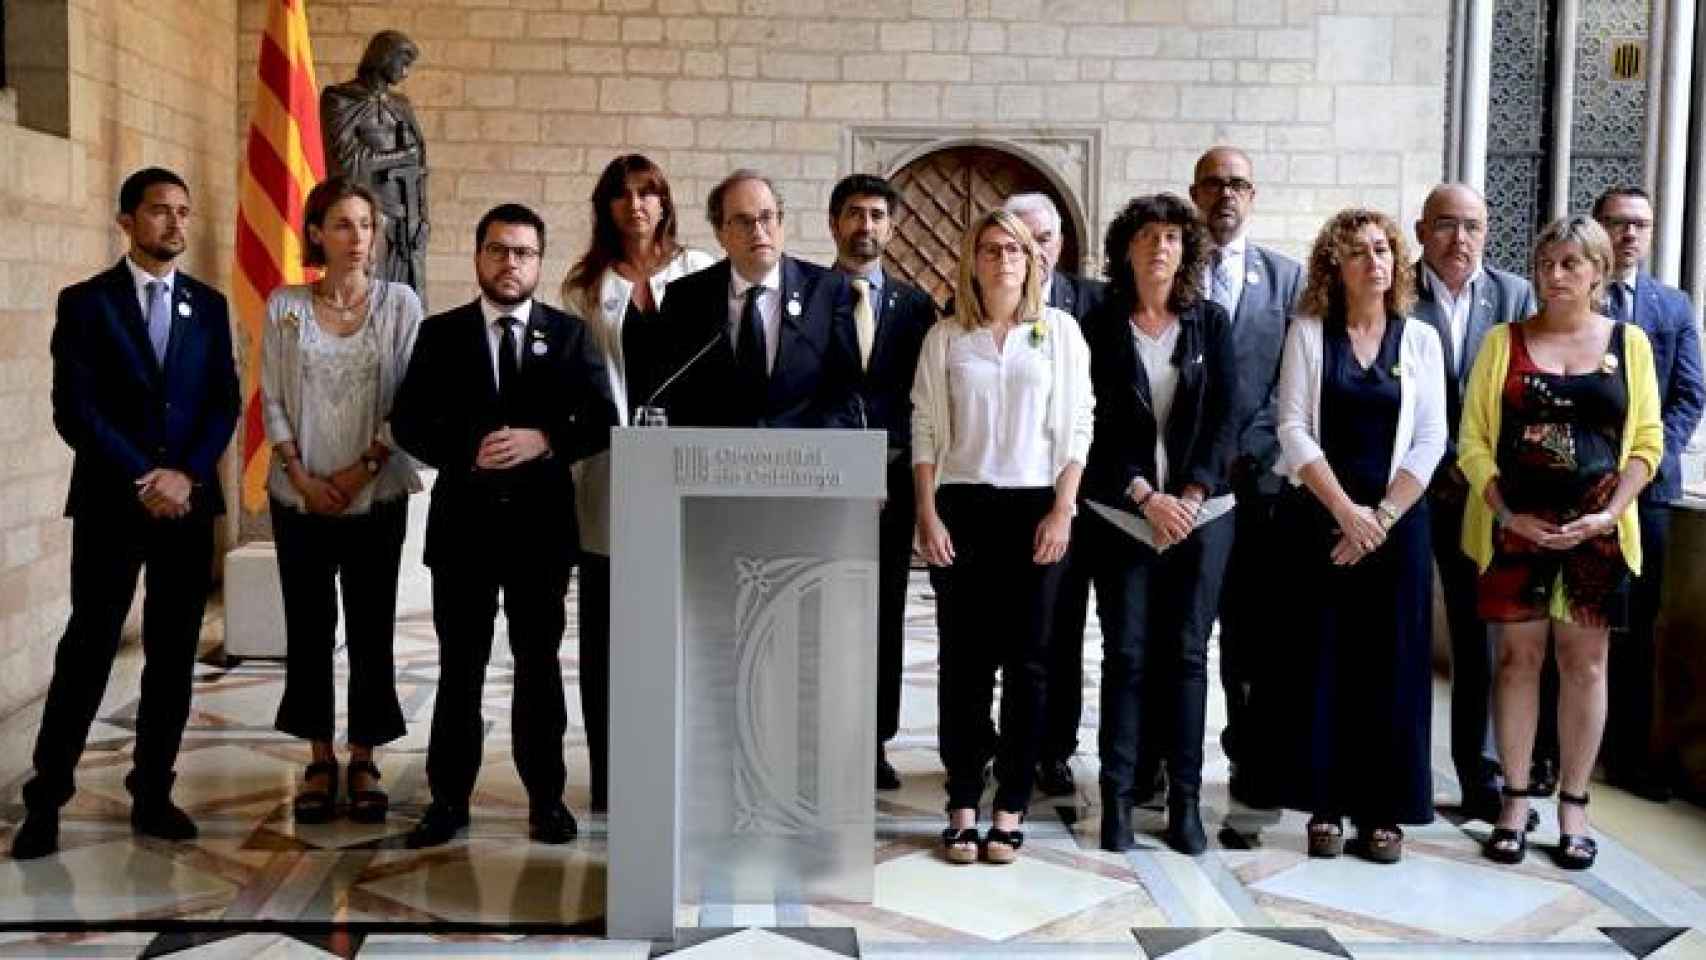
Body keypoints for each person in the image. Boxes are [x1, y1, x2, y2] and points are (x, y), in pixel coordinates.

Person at [12, 168, 241, 859]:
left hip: (187, 508)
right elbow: (74, 410)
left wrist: (188, 474)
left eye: (182, 212)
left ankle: (153, 792)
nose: (174, 224)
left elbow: (222, 402)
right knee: (88, 649)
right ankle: (47, 799)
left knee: (172, 656)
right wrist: (146, 475)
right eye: (158, 212)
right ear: (125, 221)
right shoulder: (85, 303)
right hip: (115, 502)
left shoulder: (208, 303)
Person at [391, 204, 616, 848]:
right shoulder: (440, 334)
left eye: (522, 252)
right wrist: (467, 449)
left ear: (539, 262)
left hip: (541, 534)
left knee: (538, 667)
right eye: (498, 250)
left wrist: (544, 439)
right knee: (459, 667)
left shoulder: (569, 336)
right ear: (478, 258)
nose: (509, 262)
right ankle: (447, 801)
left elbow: (600, 418)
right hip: (463, 530)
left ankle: (546, 798)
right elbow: (408, 421)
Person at [1463, 215, 1663, 871]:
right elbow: (1472, 443)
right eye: (1546, 263)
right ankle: (1515, 803)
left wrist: (1611, 514)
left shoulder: (1628, 343)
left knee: (1586, 666)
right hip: (1518, 528)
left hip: (1596, 533)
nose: (1553, 276)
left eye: (1571, 264)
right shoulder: (1504, 340)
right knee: (1517, 663)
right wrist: (1505, 512)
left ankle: (1574, 807)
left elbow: (1646, 443)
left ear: (1599, 272)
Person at [911, 208, 1093, 864]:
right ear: (973, 261)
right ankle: (963, 800)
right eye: (990, 248)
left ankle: (1011, 803)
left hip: (1037, 507)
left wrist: (1064, 509)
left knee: (1030, 665)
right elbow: (926, 429)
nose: (1004, 259)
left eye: (1015, 248)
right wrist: (927, 513)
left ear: (1033, 260)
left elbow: (1079, 425)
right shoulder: (946, 337)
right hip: (962, 508)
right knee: (963, 664)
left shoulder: (1060, 332)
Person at [1271, 208, 1446, 864]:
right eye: (1358, 252)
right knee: (1326, 662)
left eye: (1382, 249)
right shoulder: (1311, 333)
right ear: (1333, 266)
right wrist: (1347, 513)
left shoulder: (1422, 340)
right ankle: (1326, 804)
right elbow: (1293, 428)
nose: (1374, 261)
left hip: (1398, 525)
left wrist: (1383, 519)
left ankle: (1385, 810)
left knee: (1394, 667)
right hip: (1323, 519)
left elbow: (1432, 437)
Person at [261, 176, 422, 825]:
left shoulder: (400, 303)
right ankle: (319, 756)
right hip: (298, 497)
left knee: (371, 626)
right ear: (318, 233)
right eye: (344, 224)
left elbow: (410, 399)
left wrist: (361, 471)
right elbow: (270, 396)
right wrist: (300, 475)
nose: (358, 238)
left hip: (375, 494)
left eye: (367, 225)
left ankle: (363, 757)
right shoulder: (285, 305)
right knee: (308, 629)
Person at [1081, 195, 1239, 855]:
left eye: (1173, 236)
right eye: (1148, 236)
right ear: (1126, 249)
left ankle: (1186, 804)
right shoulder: (1097, 323)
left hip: (1203, 516)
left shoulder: (1211, 323)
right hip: (1123, 514)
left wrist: (1192, 491)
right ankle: (1117, 801)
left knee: (1187, 656)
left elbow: (1226, 415)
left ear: (1187, 250)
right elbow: (1088, 419)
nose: (1161, 247)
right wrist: (1147, 494)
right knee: (1126, 656)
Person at [561, 154, 713, 813]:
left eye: (647, 192)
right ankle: (611, 776)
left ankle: (681, 771)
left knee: (683, 632)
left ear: (665, 201)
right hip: (612, 475)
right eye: (622, 195)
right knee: (608, 635)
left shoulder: (701, 271)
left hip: (688, 471)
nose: (636, 206)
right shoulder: (585, 286)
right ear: (606, 207)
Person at [1411, 184, 1540, 823]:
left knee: (1478, 642)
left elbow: (1528, 395)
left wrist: (1480, 472)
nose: (1459, 240)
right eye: (1445, 226)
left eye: (1472, 227)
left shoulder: (1515, 297)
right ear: (1420, 231)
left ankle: (1479, 775)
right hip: (1406, 494)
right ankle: (1400, 771)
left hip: (1482, 500)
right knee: (1401, 638)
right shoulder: (1395, 291)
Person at [1187, 147, 1303, 807]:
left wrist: (1240, 450)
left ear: (1252, 195)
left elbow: (1293, 381)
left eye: (1237, 185)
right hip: (1185, 490)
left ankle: (1250, 766)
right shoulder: (1172, 270)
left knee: (1252, 641)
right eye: (1213, 185)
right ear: (1195, 193)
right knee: (1181, 636)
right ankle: (1165, 765)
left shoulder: (1285, 280)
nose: (1225, 196)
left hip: (1257, 490)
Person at [1592, 187, 1705, 803]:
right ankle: (1558, 752)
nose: (1630, 235)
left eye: (1640, 225)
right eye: (1618, 223)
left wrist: (1646, 458)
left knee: (1637, 630)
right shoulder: (1572, 297)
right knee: (1572, 619)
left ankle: (1631, 756)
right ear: (1598, 228)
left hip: (1650, 495)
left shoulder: (1673, 304)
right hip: (1577, 488)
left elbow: (1690, 394)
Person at [827, 173, 938, 792]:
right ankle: (823, 735)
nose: (864, 226)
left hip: (892, 487)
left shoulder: (915, 305)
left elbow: (923, 401)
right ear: (834, 223)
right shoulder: (808, 294)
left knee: (882, 614)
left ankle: (872, 742)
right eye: (853, 214)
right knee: (826, 614)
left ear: (891, 227)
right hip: (824, 480)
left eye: (876, 215)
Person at [999, 193, 1107, 799]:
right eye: (1021, 237)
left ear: (1059, 244)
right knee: (1007, 632)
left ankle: (1055, 749)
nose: (1034, 250)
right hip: (1007, 495)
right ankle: (1006, 742)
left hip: (1082, 498)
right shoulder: (975, 303)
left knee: (1063, 631)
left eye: (1043, 238)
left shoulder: (1094, 305)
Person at [652, 170, 859, 428]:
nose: (758, 231)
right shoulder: (685, 298)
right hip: (711, 459)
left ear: (781, 224)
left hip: (804, 461)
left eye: (766, 217)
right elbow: (672, 396)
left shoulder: (827, 291)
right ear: (720, 233)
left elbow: (845, 394)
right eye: (742, 221)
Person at [320, 30, 430, 300]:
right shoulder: (341, 99)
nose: (404, 73)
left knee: (410, 310)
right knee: (365, 304)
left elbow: (419, 164)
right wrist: (401, 156)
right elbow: (347, 162)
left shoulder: (401, 105)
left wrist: (422, 217)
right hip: (367, 222)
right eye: (402, 63)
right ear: (383, 57)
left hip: (408, 224)